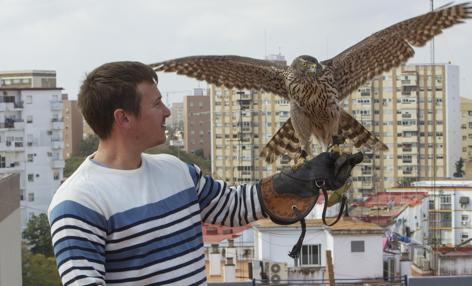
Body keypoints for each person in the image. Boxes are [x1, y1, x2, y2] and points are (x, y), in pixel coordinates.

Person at [48, 61, 361, 286]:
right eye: (157, 104)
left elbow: (236, 207)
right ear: (123, 118)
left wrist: (306, 177)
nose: (167, 112)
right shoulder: (78, 202)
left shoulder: (175, 170)